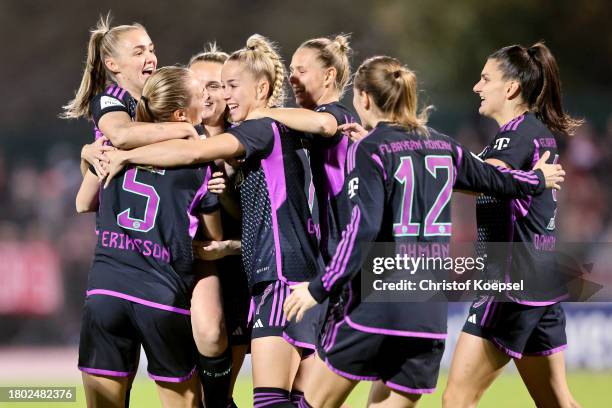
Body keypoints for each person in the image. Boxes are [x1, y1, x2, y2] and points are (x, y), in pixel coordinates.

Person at [282, 55, 565, 408]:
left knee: (310, 404)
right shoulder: (443, 145)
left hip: (377, 304)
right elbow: (495, 179)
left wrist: (319, 288)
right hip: (427, 316)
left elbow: (362, 230)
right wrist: (538, 178)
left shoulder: (369, 150)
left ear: (365, 98)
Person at [101, 34, 325, 407]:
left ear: (262, 87)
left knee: (272, 400)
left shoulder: (257, 130)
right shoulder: (263, 133)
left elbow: (195, 153)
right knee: (300, 397)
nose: (219, 95)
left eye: (227, 85)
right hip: (276, 271)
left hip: (279, 274)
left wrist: (126, 155)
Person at [443, 42, 583, 408]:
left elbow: (483, 179)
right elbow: (477, 174)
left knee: (456, 400)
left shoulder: (515, 136)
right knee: (557, 402)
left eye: (485, 78)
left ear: (511, 88)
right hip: (540, 283)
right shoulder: (528, 133)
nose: (477, 86)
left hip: (508, 283)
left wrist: (411, 158)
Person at [76, 66, 222, 408]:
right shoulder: (198, 165)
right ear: (181, 114)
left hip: (105, 291)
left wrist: (89, 152)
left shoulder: (113, 148)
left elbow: (83, 203)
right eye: (200, 94)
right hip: (162, 295)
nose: (207, 98)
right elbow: (211, 241)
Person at [246, 34, 355, 404]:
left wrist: (263, 112)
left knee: (281, 399)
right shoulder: (305, 127)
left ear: (329, 76)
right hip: (328, 264)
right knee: (302, 399)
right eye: (289, 70)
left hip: (345, 264)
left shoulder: (337, 116)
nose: (292, 78)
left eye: (300, 70)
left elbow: (324, 126)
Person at [187, 44, 249, 408]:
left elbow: (261, 219)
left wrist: (226, 194)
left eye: (215, 85)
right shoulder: (170, 137)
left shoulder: (248, 143)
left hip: (237, 272)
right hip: (185, 272)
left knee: (219, 396)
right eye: (197, 84)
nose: (205, 94)